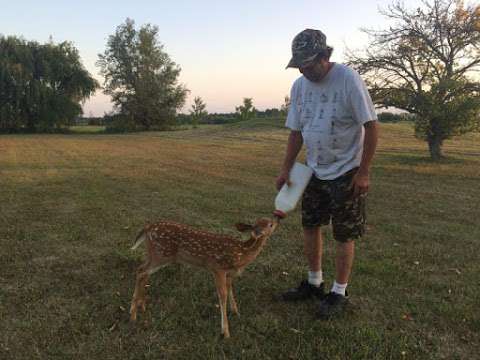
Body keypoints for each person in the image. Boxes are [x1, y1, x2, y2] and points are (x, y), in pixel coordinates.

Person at [276, 28, 378, 319]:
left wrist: (364, 171)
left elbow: (371, 126)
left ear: (325, 56)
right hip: (314, 168)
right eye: (299, 66)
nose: (304, 71)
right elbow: (296, 131)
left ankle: (338, 291)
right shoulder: (299, 87)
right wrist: (285, 168)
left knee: (344, 233)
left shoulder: (348, 79)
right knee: (310, 225)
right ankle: (314, 283)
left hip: (347, 170)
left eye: (309, 64)